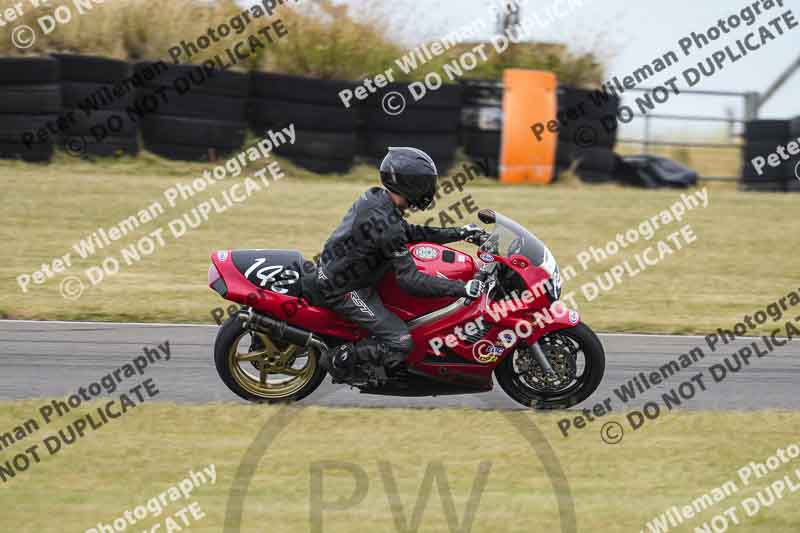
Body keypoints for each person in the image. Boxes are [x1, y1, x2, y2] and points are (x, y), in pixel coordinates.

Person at [304, 147, 485, 381]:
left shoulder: (378, 198)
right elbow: (411, 281)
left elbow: (408, 232)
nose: (431, 187)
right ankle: (339, 359)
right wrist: (462, 288)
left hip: (347, 273)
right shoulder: (385, 223)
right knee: (399, 341)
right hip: (345, 290)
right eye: (427, 182)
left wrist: (460, 233)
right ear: (411, 183)